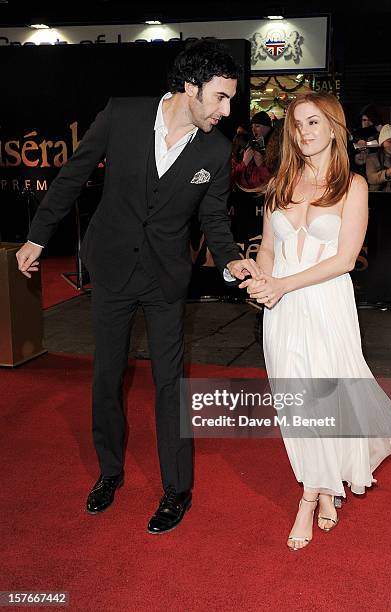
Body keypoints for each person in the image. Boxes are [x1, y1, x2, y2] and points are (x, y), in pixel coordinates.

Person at [16, 40, 260, 535]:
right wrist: (38, 237)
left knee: (171, 383)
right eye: (219, 97)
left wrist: (235, 262)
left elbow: (214, 216)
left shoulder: (214, 149)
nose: (226, 110)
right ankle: (110, 472)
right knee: (107, 376)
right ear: (190, 87)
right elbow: (72, 176)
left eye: (229, 99)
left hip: (165, 277)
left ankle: (177, 489)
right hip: (112, 268)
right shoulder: (122, 116)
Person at [240, 92, 391, 551]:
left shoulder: (353, 186)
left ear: (335, 127)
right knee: (294, 403)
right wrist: (262, 280)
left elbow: (343, 260)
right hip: (281, 308)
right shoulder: (281, 181)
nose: (304, 132)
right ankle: (321, 486)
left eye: (314, 122)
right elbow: (268, 248)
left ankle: (310, 496)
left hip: (323, 303)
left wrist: (283, 284)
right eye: (298, 124)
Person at [231, 111, 273, 188]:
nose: (253, 130)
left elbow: (273, 180)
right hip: (244, 192)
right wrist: (244, 162)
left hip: (261, 193)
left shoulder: (274, 148)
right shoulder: (248, 144)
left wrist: (261, 164)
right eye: (252, 127)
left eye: (257, 126)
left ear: (268, 127)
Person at [366, 124, 391, 192]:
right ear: (382, 142)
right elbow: (371, 179)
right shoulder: (372, 158)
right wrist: (386, 174)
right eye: (390, 141)